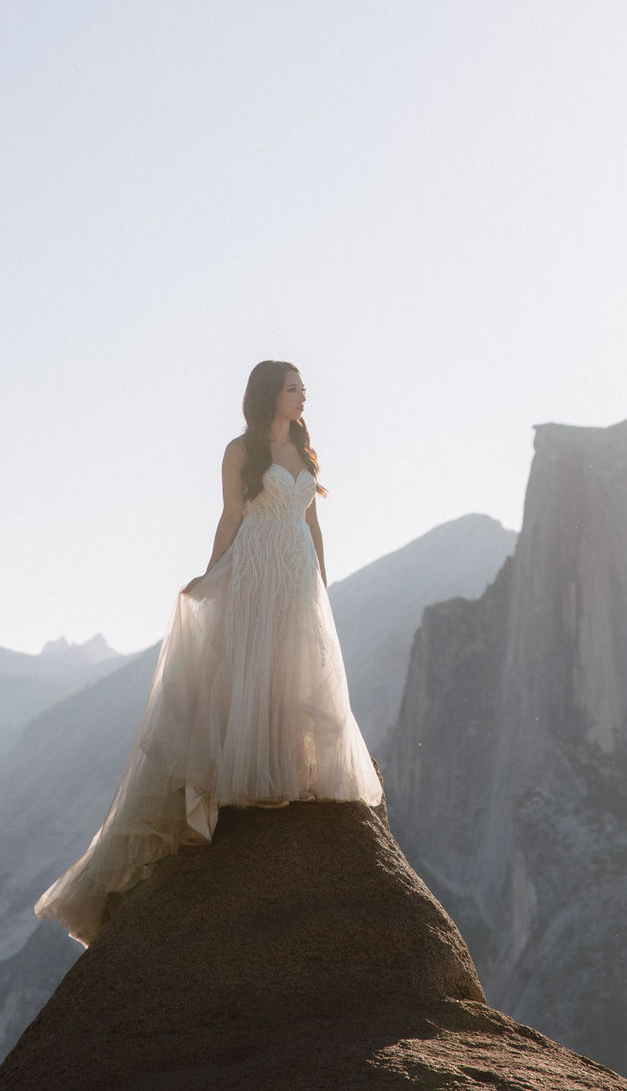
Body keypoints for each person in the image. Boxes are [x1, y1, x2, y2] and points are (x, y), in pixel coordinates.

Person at [35, 361, 382, 947]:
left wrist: (322, 581)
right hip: (252, 570)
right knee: (252, 670)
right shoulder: (240, 449)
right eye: (294, 388)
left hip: (296, 573)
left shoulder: (303, 446)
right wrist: (210, 575)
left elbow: (313, 523)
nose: (304, 397)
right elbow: (230, 516)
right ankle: (242, 779)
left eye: (304, 388)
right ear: (270, 395)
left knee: (298, 671)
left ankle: (293, 771)